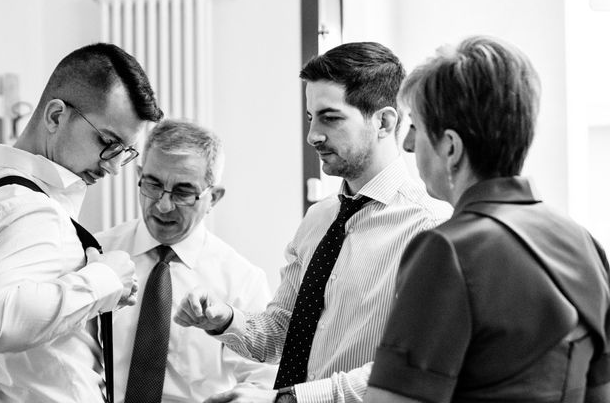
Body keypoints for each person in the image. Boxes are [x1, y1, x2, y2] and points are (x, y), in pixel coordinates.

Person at [175, 42, 451, 403]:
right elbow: (281, 332)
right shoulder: (318, 219)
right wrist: (223, 318)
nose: (313, 136)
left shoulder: (429, 227)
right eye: (311, 118)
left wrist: (289, 401)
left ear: (384, 122)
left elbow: (407, 371)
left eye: (330, 118)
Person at [364, 35, 610, 403]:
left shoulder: (446, 250)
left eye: (415, 128)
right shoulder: (585, 244)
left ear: (450, 146)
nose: (408, 146)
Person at [0, 43, 163, 403]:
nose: (113, 166)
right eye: (108, 142)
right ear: (56, 116)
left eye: (125, 152)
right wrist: (106, 279)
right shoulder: (30, 208)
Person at [96, 118, 277, 402]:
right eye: (153, 185)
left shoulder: (242, 280)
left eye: (182, 192)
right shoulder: (98, 253)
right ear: (140, 175)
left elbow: (264, 379)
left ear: (213, 197)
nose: (163, 205)